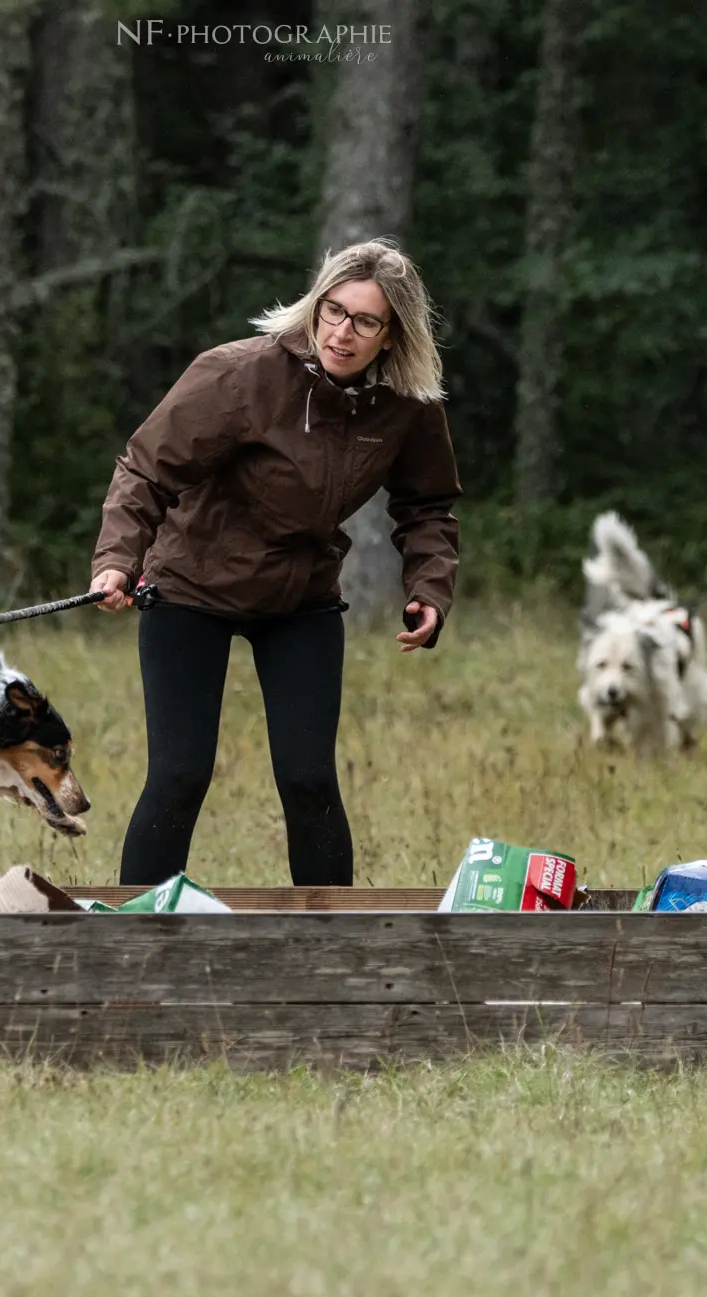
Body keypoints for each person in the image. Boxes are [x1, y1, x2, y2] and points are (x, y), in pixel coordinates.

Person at [89, 238, 461, 887]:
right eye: (334, 311)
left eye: (365, 321)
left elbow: (427, 505)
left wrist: (430, 586)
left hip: (301, 597)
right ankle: (137, 943)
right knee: (180, 773)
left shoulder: (407, 406)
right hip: (191, 586)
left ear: (393, 334)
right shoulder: (239, 375)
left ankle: (331, 951)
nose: (342, 332)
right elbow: (145, 470)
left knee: (309, 777)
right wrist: (117, 560)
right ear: (316, 306)